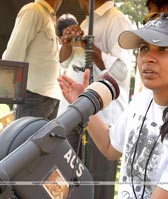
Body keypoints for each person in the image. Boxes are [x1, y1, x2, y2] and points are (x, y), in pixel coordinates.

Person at [58, 14, 168, 198]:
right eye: (144, 47)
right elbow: (110, 146)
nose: (148, 57)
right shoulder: (142, 101)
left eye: (163, 49)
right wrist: (84, 105)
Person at [59, 0, 133, 198]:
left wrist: (88, 44)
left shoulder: (116, 20)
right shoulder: (86, 23)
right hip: (74, 114)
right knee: (70, 182)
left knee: (96, 186)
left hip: (101, 119)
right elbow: (65, 60)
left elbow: (121, 71)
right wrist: (67, 43)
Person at [2, 0, 63, 120]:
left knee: (44, 139)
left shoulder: (49, 16)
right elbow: (13, 54)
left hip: (50, 96)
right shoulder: (33, 11)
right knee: (25, 138)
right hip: (33, 95)